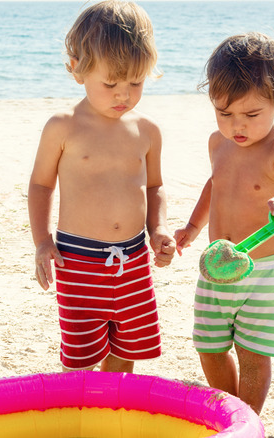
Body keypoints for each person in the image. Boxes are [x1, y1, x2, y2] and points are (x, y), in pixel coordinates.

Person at [28, 0, 176, 374]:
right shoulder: (63, 126)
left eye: (136, 83)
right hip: (78, 261)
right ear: (78, 70)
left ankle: (113, 417)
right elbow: (41, 185)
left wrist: (156, 228)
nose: (123, 95)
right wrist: (42, 241)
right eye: (110, 83)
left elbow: (155, 185)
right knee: (80, 357)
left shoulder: (147, 130)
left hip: (133, 260)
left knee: (125, 352)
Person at [173, 32, 274, 414]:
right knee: (209, 346)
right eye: (224, 113)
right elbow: (214, 185)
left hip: (264, 271)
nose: (237, 125)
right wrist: (192, 226)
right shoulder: (218, 144)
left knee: (253, 354)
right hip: (218, 265)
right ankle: (230, 409)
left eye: (251, 115)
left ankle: (247, 419)